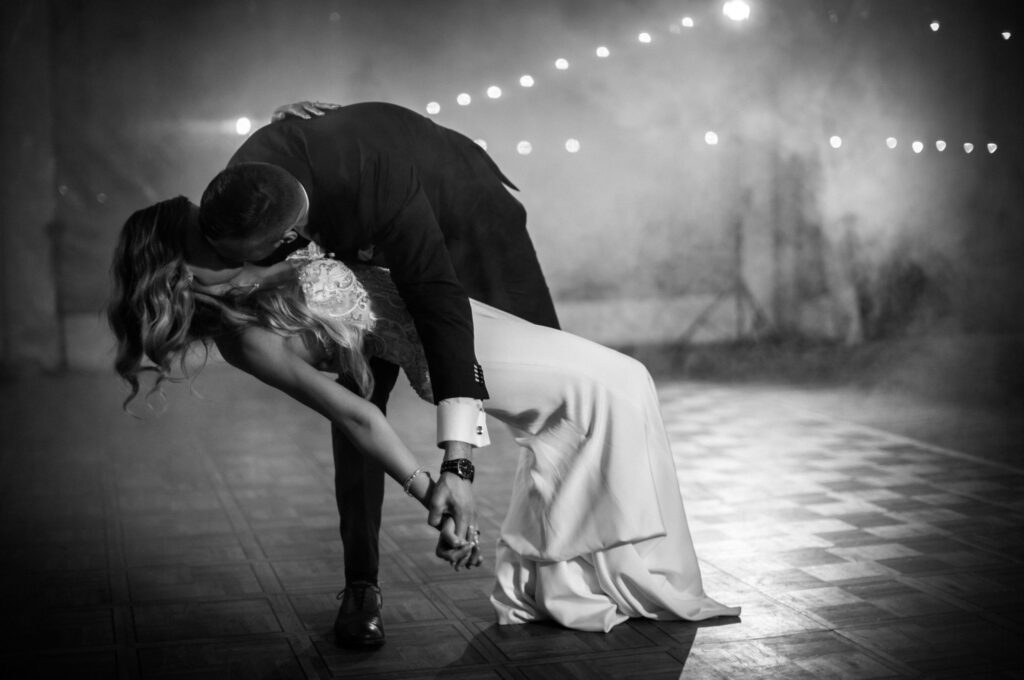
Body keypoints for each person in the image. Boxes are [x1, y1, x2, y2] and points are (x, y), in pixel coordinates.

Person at [108, 198, 741, 634]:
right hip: (449, 354)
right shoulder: (244, 338)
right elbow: (356, 417)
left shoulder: (255, 265)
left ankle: (568, 583)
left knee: (600, 402)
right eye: (199, 236)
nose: (219, 236)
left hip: (454, 319)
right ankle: (602, 577)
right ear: (177, 268)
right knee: (622, 383)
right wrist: (431, 490)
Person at [198, 101, 560, 646]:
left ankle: (561, 557)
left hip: (465, 217)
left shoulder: (376, 180)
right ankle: (362, 585)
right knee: (355, 391)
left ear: (293, 228)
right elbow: (358, 415)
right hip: (357, 243)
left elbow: (437, 301)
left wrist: (457, 464)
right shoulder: (242, 187)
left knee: (551, 377)